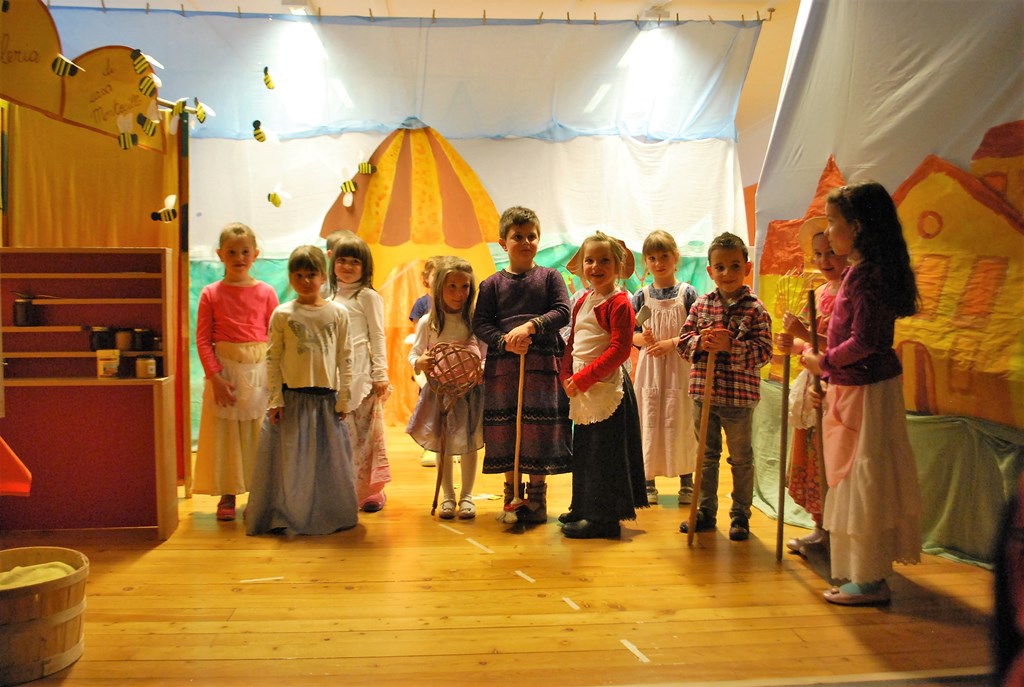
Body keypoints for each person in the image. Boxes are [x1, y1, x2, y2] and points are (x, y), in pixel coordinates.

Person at [801, 181, 921, 606]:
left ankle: (869, 579)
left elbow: (865, 341)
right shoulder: (863, 271)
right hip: (858, 386)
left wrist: (824, 363)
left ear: (858, 226)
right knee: (855, 476)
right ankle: (863, 573)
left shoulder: (868, 274)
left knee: (861, 477)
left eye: (833, 222)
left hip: (865, 389)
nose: (828, 231)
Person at [245, 245, 357, 536]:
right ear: (290, 277)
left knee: (327, 461)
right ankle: (287, 514)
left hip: (326, 401)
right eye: (298, 275)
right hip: (292, 400)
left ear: (323, 277)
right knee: (291, 462)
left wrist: (345, 398)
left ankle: (328, 512)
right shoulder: (283, 314)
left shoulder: (338, 312)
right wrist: (275, 400)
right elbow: (272, 358)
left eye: (312, 274)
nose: (306, 281)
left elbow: (346, 356)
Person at [473, 206, 572, 524]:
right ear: (504, 243)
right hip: (504, 367)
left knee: (537, 430)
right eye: (518, 236)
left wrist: (530, 327)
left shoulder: (550, 277)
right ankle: (511, 496)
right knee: (507, 429)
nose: (526, 242)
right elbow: (481, 324)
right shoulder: (490, 285)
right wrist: (505, 341)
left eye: (532, 236)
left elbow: (562, 311)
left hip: (542, 366)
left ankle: (538, 499)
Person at [678, 231, 773, 542]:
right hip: (703, 394)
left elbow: (764, 352)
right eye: (720, 267)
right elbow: (683, 343)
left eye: (734, 266)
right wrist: (700, 342)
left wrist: (732, 346)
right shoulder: (701, 306)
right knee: (706, 457)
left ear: (747, 267)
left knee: (741, 458)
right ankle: (705, 511)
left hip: (739, 398)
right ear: (710, 271)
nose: (727, 273)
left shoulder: (756, 309)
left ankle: (740, 514)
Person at [558, 232, 648, 538]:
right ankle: (583, 505)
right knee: (585, 450)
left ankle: (604, 518)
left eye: (604, 260)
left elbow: (619, 350)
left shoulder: (620, 303)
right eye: (590, 260)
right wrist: (566, 375)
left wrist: (583, 378)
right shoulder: (583, 300)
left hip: (606, 387)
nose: (596, 266)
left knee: (604, 454)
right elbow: (573, 341)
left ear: (618, 266)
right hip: (583, 389)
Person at [194, 222, 279, 521]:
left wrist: (274, 378)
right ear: (220, 254)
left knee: (257, 435)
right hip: (225, 372)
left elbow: (276, 335)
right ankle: (227, 493)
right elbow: (203, 339)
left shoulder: (266, 292)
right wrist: (215, 377)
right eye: (231, 252)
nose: (238, 258)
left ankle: (258, 494)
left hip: (259, 371)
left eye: (244, 252)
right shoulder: (210, 293)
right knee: (226, 436)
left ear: (255, 254)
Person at [775, 217, 849, 555]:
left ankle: (839, 530)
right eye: (818, 254)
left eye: (831, 252)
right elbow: (808, 346)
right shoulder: (818, 293)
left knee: (831, 459)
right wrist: (791, 344)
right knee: (811, 459)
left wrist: (804, 334)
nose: (823, 261)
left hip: (838, 388)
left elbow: (842, 346)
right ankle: (820, 528)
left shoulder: (851, 293)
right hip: (812, 385)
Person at [407, 257, 484, 520]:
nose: (459, 293)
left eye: (465, 287)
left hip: (469, 393)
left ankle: (467, 496)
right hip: (439, 393)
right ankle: (448, 496)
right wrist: (419, 362)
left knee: (470, 444)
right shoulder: (428, 322)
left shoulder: (474, 321)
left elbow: (485, 355)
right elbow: (415, 353)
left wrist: (480, 369)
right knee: (444, 445)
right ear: (439, 286)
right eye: (452, 286)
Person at [631, 230, 698, 507]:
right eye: (652, 258)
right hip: (650, 369)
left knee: (681, 418)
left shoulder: (688, 293)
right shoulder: (641, 296)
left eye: (664, 256)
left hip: (680, 367)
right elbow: (630, 335)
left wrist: (670, 343)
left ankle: (686, 481)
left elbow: (695, 333)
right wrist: (644, 339)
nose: (659, 263)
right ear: (645, 262)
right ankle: (647, 481)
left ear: (676, 258)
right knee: (649, 418)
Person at [330, 232, 392, 513]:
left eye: (355, 262)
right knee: (342, 435)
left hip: (362, 376)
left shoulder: (367, 296)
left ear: (365, 267)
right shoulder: (327, 296)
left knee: (366, 437)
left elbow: (377, 336)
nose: (347, 266)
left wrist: (380, 374)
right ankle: (342, 489)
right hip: (333, 377)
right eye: (342, 260)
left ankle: (371, 491)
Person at [409, 257, 437, 323]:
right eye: (435, 275)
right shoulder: (420, 304)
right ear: (426, 278)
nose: (439, 278)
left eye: (442, 275)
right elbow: (418, 328)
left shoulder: (450, 302)